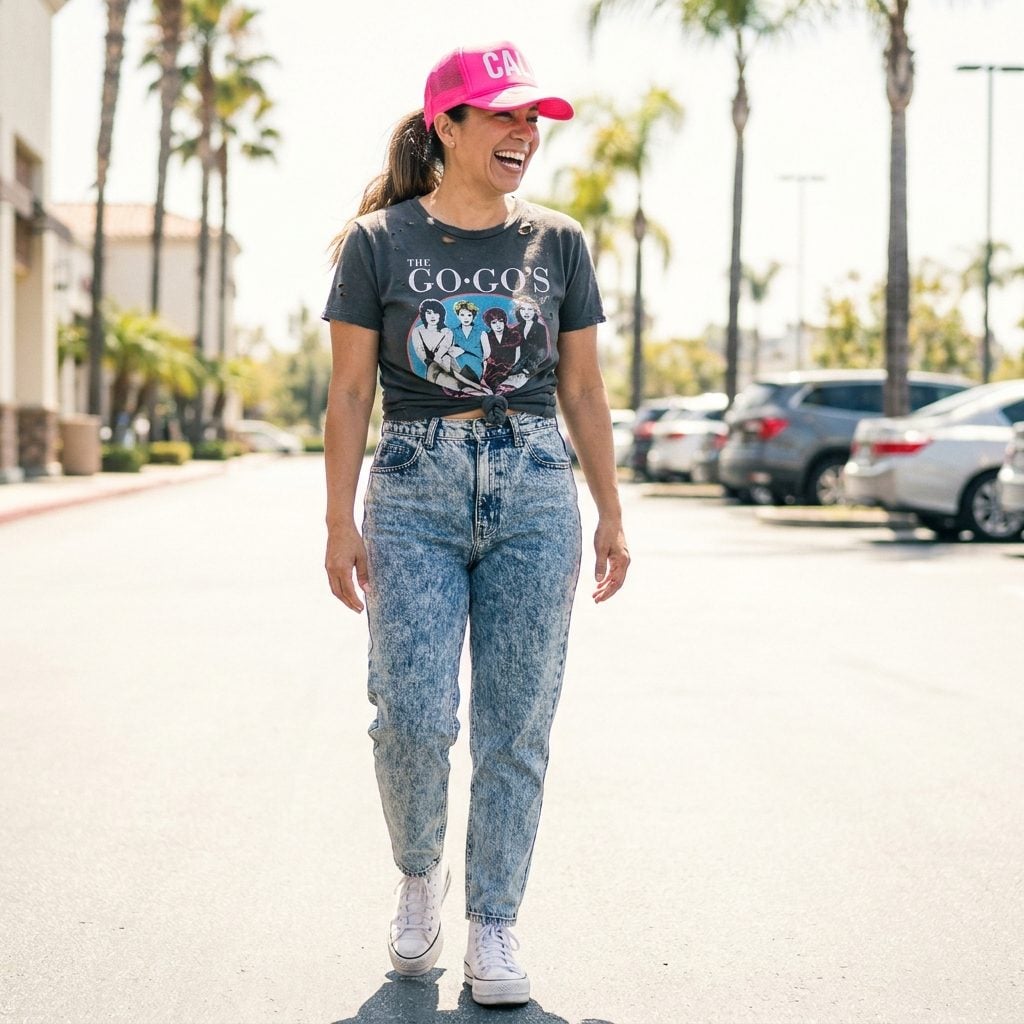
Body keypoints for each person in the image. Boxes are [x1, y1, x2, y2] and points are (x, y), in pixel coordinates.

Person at [322, 39, 629, 1008]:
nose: (522, 131)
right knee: (410, 715)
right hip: (413, 479)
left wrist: (610, 509)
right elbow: (347, 390)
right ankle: (421, 878)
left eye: (530, 118)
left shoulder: (559, 243)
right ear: (445, 125)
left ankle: (493, 922)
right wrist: (338, 520)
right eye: (501, 114)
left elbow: (582, 388)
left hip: (536, 483)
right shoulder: (378, 244)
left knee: (516, 724)